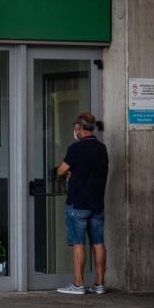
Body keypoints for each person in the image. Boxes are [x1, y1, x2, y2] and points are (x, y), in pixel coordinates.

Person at [56, 112, 109, 295]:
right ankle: (99, 284)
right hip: (97, 203)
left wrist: (67, 171)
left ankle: (78, 285)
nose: (75, 131)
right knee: (98, 242)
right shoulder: (102, 148)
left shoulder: (76, 148)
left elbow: (61, 170)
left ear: (79, 127)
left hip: (78, 203)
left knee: (79, 243)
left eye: (75, 128)